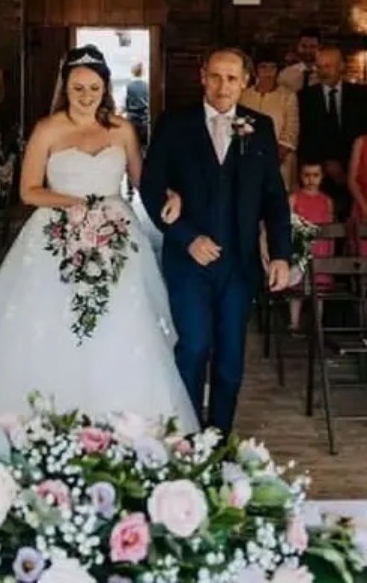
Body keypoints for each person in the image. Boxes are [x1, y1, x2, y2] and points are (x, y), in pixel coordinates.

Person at [0, 45, 197, 434]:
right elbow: (29, 190)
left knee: (119, 322)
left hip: (115, 235)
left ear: (105, 88)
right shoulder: (48, 129)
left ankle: (118, 418)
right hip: (57, 231)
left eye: (93, 88)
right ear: (65, 88)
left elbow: (143, 182)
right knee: (52, 322)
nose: (86, 96)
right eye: (78, 88)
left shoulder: (122, 129)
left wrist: (171, 193)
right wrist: (77, 205)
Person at [142, 47, 291, 437]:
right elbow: (151, 186)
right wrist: (186, 236)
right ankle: (188, 438)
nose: (222, 86)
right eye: (215, 77)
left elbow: (274, 197)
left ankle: (218, 438)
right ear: (202, 76)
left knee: (229, 360)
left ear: (245, 81)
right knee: (192, 347)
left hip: (239, 266)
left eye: (231, 78)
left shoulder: (260, 126)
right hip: (188, 262)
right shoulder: (174, 124)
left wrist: (280, 254)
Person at [297, 46, 367, 220]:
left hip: (356, 176)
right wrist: (327, 165)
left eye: (328, 66)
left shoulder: (361, 95)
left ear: (341, 66)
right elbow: (304, 137)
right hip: (319, 176)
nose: (323, 71)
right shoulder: (304, 98)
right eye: (319, 67)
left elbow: (363, 134)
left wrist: (347, 169)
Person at [240, 45, 299, 191]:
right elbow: (238, 128)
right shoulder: (243, 96)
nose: (268, 72)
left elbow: (291, 132)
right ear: (255, 70)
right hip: (249, 162)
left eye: (272, 67)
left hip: (281, 163)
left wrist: (272, 159)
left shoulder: (287, 96)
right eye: (263, 67)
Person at [288, 161, 334, 334]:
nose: (311, 179)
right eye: (307, 175)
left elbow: (330, 227)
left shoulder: (327, 201)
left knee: (319, 288)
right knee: (297, 289)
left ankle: (318, 324)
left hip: (320, 249)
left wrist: (329, 254)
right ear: (301, 176)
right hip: (299, 248)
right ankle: (294, 323)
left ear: (322, 177)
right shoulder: (293, 198)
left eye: (315, 175)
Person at [278, 27, 321, 93]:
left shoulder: (326, 73)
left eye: (313, 46)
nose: (308, 51)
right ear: (298, 46)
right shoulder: (286, 74)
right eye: (304, 46)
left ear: (319, 47)